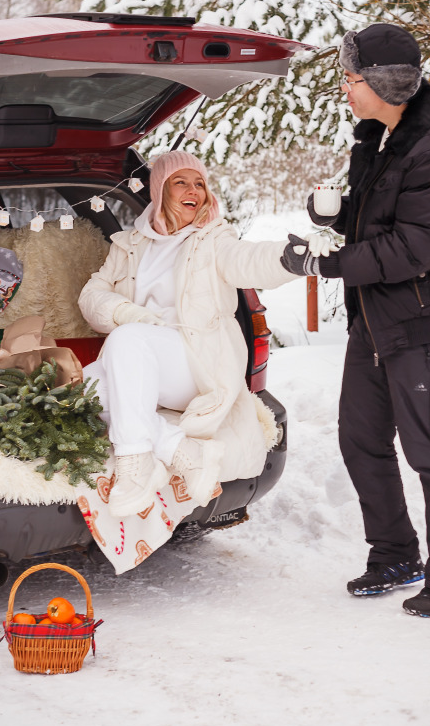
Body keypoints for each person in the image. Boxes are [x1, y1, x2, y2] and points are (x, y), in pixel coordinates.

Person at [281, 23, 430, 618]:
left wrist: (328, 263)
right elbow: (381, 222)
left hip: (424, 323)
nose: (344, 89)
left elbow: (413, 249)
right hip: (376, 317)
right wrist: (341, 213)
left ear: (381, 82)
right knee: (361, 438)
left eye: (349, 78)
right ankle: (395, 553)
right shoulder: (381, 137)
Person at [78, 150, 318, 519]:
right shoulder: (129, 246)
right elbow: (91, 297)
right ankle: (181, 452)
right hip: (143, 359)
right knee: (83, 393)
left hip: (196, 362)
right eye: (181, 182)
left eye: (200, 183)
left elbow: (246, 260)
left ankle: (135, 465)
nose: (195, 190)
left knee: (126, 340)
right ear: (159, 191)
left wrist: (288, 259)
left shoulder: (213, 240)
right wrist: (128, 313)